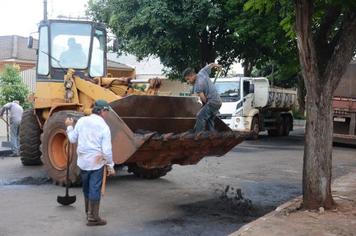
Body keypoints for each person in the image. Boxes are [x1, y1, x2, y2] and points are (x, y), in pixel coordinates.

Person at [65, 99, 115, 226]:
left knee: (86, 187)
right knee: (95, 188)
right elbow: (107, 150)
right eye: (107, 111)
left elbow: (72, 139)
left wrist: (69, 126)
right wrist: (110, 165)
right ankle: (93, 218)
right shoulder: (104, 126)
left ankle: (88, 212)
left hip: (83, 161)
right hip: (96, 162)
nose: (107, 114)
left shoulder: (82, 121)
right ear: (102, 111)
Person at [183, 63, 222, 133]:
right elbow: (211, 65)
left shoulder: (197, 85)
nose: (188, 82)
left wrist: (203, 106)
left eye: (188, 79)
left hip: (212, 102)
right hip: (218, 101)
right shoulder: (202, 72)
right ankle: (212, 135)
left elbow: (204, 99)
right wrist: (218, 66)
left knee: (200, 116)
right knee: (209, 120)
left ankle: (198, 135)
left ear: (192, 75)